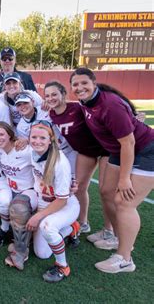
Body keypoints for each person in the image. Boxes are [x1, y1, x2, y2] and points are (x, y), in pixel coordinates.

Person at [70, 68, 154, 274]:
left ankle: (125, 258)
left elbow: (129, 142)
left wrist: (125, 178)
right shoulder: (86, 102)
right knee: (106, 192)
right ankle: (112, 235)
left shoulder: (109, 104)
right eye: (75, 85)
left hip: (145, 151)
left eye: (84, 83)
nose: (80, 87)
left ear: (94, 83)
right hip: (119, 150)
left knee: (124, 202)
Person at [43, 81, 111, 236]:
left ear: (63, 94)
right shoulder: (51, 114)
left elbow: (102, 111)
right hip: (85, 151)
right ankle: (83, 222)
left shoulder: (77, 107)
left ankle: (109, 230)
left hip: (105, 149)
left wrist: (134, 115)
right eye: (47, 96)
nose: (51, 98)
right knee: (79, 187)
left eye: (54, 94)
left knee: (106, 191)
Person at [26, 120, 80, 283]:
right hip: (43, 199)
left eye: (42, 138)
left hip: (64, 205)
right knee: (42, 253)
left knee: (46, 227)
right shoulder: (31, 151)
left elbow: (62, 200)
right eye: (33, 137)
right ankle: (70, 229)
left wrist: (37, 216)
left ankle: (63, 266)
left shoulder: (59, 162)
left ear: (51, 140)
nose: (37, 141)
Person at [0, 122, 38, 265]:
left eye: (1, 134)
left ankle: (22, 250)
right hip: (11, 188)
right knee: (3, 200)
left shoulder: (24, 150)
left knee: (19, 207)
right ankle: (5, 229)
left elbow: (46, 150)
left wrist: (28, 139)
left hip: (29, 190)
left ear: (10, 134)